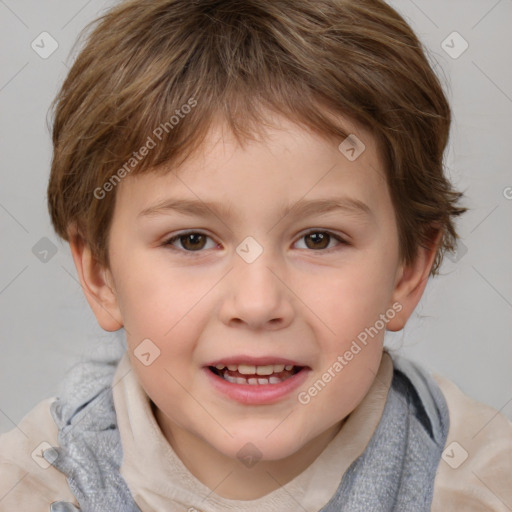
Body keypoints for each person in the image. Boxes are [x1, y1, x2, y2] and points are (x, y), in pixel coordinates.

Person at [1, 0, 511, 510]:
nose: (258, 302)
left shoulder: (483, 487)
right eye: (192, 240)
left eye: (318, 239)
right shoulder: (29, 488)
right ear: (100, 276)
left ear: (408, 270)